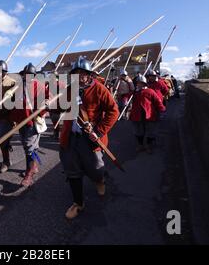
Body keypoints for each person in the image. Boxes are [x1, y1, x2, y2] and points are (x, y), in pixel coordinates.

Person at [59, 57, 119, 220]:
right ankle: (78, 203)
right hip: (71, 136)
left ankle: (99, 180)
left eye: (83, 73)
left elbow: (114, 111)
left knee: (96, 167)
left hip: (90, 137)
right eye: (76, 73)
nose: (80, 77)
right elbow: (61, 106)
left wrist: (99, 131)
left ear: (89, 74)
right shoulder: (70, 90)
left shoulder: (99, 89)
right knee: (72, 170)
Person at [10, 63, 50, 187]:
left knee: (29, 148)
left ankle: (29, 173)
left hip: (32, 122)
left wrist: (47, 103)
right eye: (25, 75)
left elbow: (50, 98)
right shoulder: (19, 87)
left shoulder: (40, 86)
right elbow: (14, 103)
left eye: (30, 75)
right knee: (30, 146)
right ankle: (35, 166)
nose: (27, 77)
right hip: (21, 122)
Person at [0, 60, 16, 173]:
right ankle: (8, 143)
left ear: (5, 72)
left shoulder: (13, 82)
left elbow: (16, 99)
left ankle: (6, 162)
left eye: (1, 71)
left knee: (1, 139)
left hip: (7, 115)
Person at [129, 75, 166, 154]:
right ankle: (141, 145)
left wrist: (162, 109)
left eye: (140, 83)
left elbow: (157, 101)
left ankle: (149, 145)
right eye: (138, 83)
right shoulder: (135, 92)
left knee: (150, 132)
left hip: (149, 115)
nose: (138, 84)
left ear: (144, 83)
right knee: (138, 131)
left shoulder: (150, 91)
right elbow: (132, 102)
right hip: (137, 115)